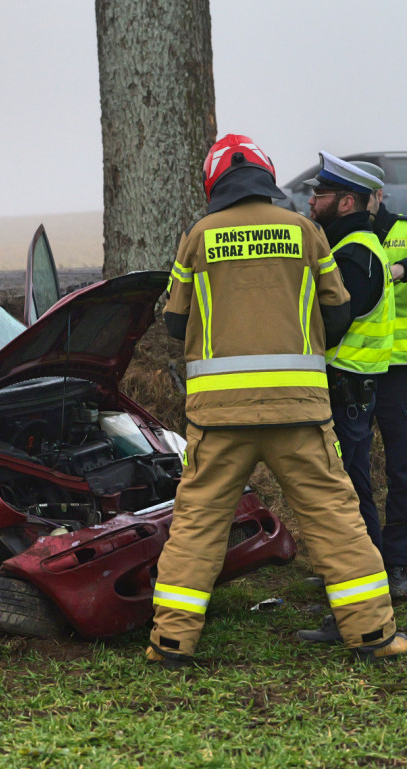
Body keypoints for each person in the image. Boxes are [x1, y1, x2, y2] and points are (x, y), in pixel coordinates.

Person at [147, 134, 405, 667]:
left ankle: (171, 643)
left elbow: (174, 323)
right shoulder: (305, 231)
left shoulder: (199, 235)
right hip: (300, 412)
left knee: (197, 525)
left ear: (214, 182)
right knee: (336, 519)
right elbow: (338, 310)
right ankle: (373, 636)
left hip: (218, 419)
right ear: (266, 176)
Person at [306, 153, 394, 551]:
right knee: (349, 485)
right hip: (350, 389)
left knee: (349, 492)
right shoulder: (352, 246)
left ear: (345, 202)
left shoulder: (354, 256)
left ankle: (363, 585)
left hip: (346, 390)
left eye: (319, 193)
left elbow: (333, 323)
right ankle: (350, 575)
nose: (310, 201)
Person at [354, 161, 407, 598]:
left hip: (399, 372)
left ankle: (399, 561)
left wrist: (401, 270)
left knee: (401, 469)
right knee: (350, 471)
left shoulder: (402, 233)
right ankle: (359, 561)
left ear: (380, 196)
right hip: (354, 370)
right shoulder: (345, 238)